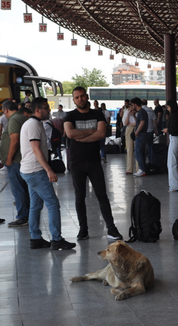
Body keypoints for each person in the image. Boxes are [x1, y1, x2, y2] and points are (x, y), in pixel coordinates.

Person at [65, 87, 123, 241]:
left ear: (87, 97)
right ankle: (83, 229)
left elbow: (102, 133)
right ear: (74, 100)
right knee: (79, 197)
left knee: (102, 195)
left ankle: (111, 228)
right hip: (76, 162)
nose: (80, 99)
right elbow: (70, 133)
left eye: (82, 96)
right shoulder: (70, 115)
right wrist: (92, 132)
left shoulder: (97, 114)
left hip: (94, 161)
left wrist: (82, 136)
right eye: (77, 97)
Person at [19, 97, 76, 251]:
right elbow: (36, 149)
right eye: (46, 108)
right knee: (52, 203)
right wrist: (49, 170)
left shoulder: (36, 124)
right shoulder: (33, 125)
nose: (49, 110)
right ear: (37, 110)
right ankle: (56, 239)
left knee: (35, 205)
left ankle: (35, 238)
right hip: (35, 170)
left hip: (29, 170)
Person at [0, 100, 30, 228]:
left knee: (18, 189)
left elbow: (15, 140)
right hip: (20, 160)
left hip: (16, 160)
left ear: (6, 110)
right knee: (22, 189)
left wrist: (9, 158)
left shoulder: (14, 119)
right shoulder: (20, 117)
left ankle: (22, 216)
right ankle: (26, 215)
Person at [162, 99, 178, 192]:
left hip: (175, 139)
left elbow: (173, 129)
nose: (167, 109)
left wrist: (167, 130)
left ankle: (174, 186)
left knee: (171, 163)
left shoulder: (173, 116)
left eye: (168, 107)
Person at [131, 97, 149, 177]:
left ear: (135, 104)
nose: (132, 106)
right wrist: (134, 116)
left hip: (141, 135)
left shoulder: (142, 112)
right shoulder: (141, 112)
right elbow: (139, 122)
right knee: (140, 152)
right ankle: (142, 169)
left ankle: (142, 169)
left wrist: (136, 132)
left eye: (132, 105)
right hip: (141, 134)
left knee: (138, 152)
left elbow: (142, 122)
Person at [122, 101, 137, 174]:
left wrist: (134, 115)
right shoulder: (126, 112)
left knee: (137, 149)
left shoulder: (137, 112)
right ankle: (129, 169)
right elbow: (125, 123)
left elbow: (138, 122)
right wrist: (129, 113)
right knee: (129, 149)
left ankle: (138, 168)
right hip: (129, 130)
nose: (131, 107)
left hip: (136, 129)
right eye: (130, 106)